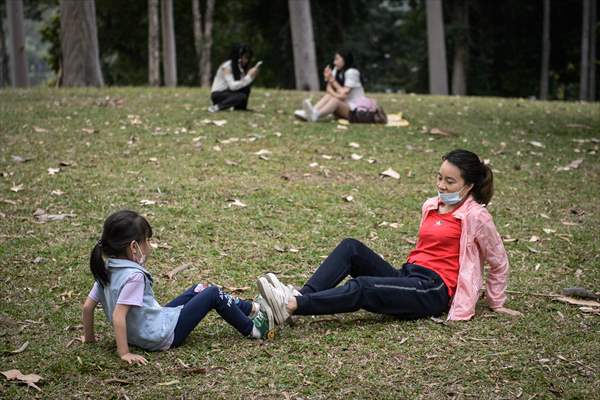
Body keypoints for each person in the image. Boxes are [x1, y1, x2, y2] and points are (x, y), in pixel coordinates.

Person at [257, 149, 523, 326]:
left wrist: (496, 302)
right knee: (351, 248)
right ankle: (300, 296)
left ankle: (292, 304)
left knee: (364, 287)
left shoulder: (477, 216)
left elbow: (498, 261)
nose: (442, 185)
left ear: (469, 186)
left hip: (434, 291)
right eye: (439, 177)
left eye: (450, 182)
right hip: (409, 276)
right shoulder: (432, 205)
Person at [80, 210, 274, 365]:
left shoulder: (107, 269)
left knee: (198, 289)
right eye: (147, 240)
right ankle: (254, 330)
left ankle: (253, 308)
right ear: (133, 247)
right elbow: (118, 315)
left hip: (145, 328)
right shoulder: (134, 277)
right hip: (162, 335)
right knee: (212, 293)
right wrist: (124, 353)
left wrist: (89, 338)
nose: (149, 245)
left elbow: (88, 307)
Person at [295, 51, 365, 122]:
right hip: (345, 105)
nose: (334, 63)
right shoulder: (337, 70)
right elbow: (328, 89)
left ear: (345, 59)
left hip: (356, 111)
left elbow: (343, 94)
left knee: (335, 100)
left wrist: (332, 80)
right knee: (330, 96)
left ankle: (316, 115)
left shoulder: (352, 72)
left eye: (337, 59)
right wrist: (335, 93)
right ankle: (311, 112)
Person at [208, 44, 260, 112]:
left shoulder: (239, 67)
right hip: (218, 94)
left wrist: (252, 76)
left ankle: (241, 108)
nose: (246, 60)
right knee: (241, 96)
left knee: (246, 88)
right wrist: (249, 77)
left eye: (248, 58)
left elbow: (242, 83)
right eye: (245, 57)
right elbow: (232, 86)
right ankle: (217, 107)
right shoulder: (227, 66)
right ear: (239, 57)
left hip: (229, 93)